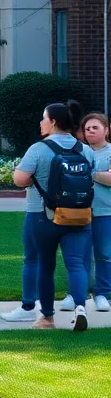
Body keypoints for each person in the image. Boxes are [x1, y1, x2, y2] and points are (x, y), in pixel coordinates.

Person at [10, 101, 94, 332]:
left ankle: (47, 318)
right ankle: (80, 308)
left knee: (45, 265)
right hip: (78, 215)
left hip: (42, 215)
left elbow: (19, 179)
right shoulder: (84, 149)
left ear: (53, 122)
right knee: (76, 264)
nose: (41, 122)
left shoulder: (39, 149)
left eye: (44, 118)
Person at [84, 113, 111, 313]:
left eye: (95, 127)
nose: (90, 131)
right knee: (79, 254)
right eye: (87, 129)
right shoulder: (79, 152)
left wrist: (88, 173)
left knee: (104, 254)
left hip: (105, 211)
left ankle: (103, 294)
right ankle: (77, 294)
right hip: (79, 212)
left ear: (106, 130)